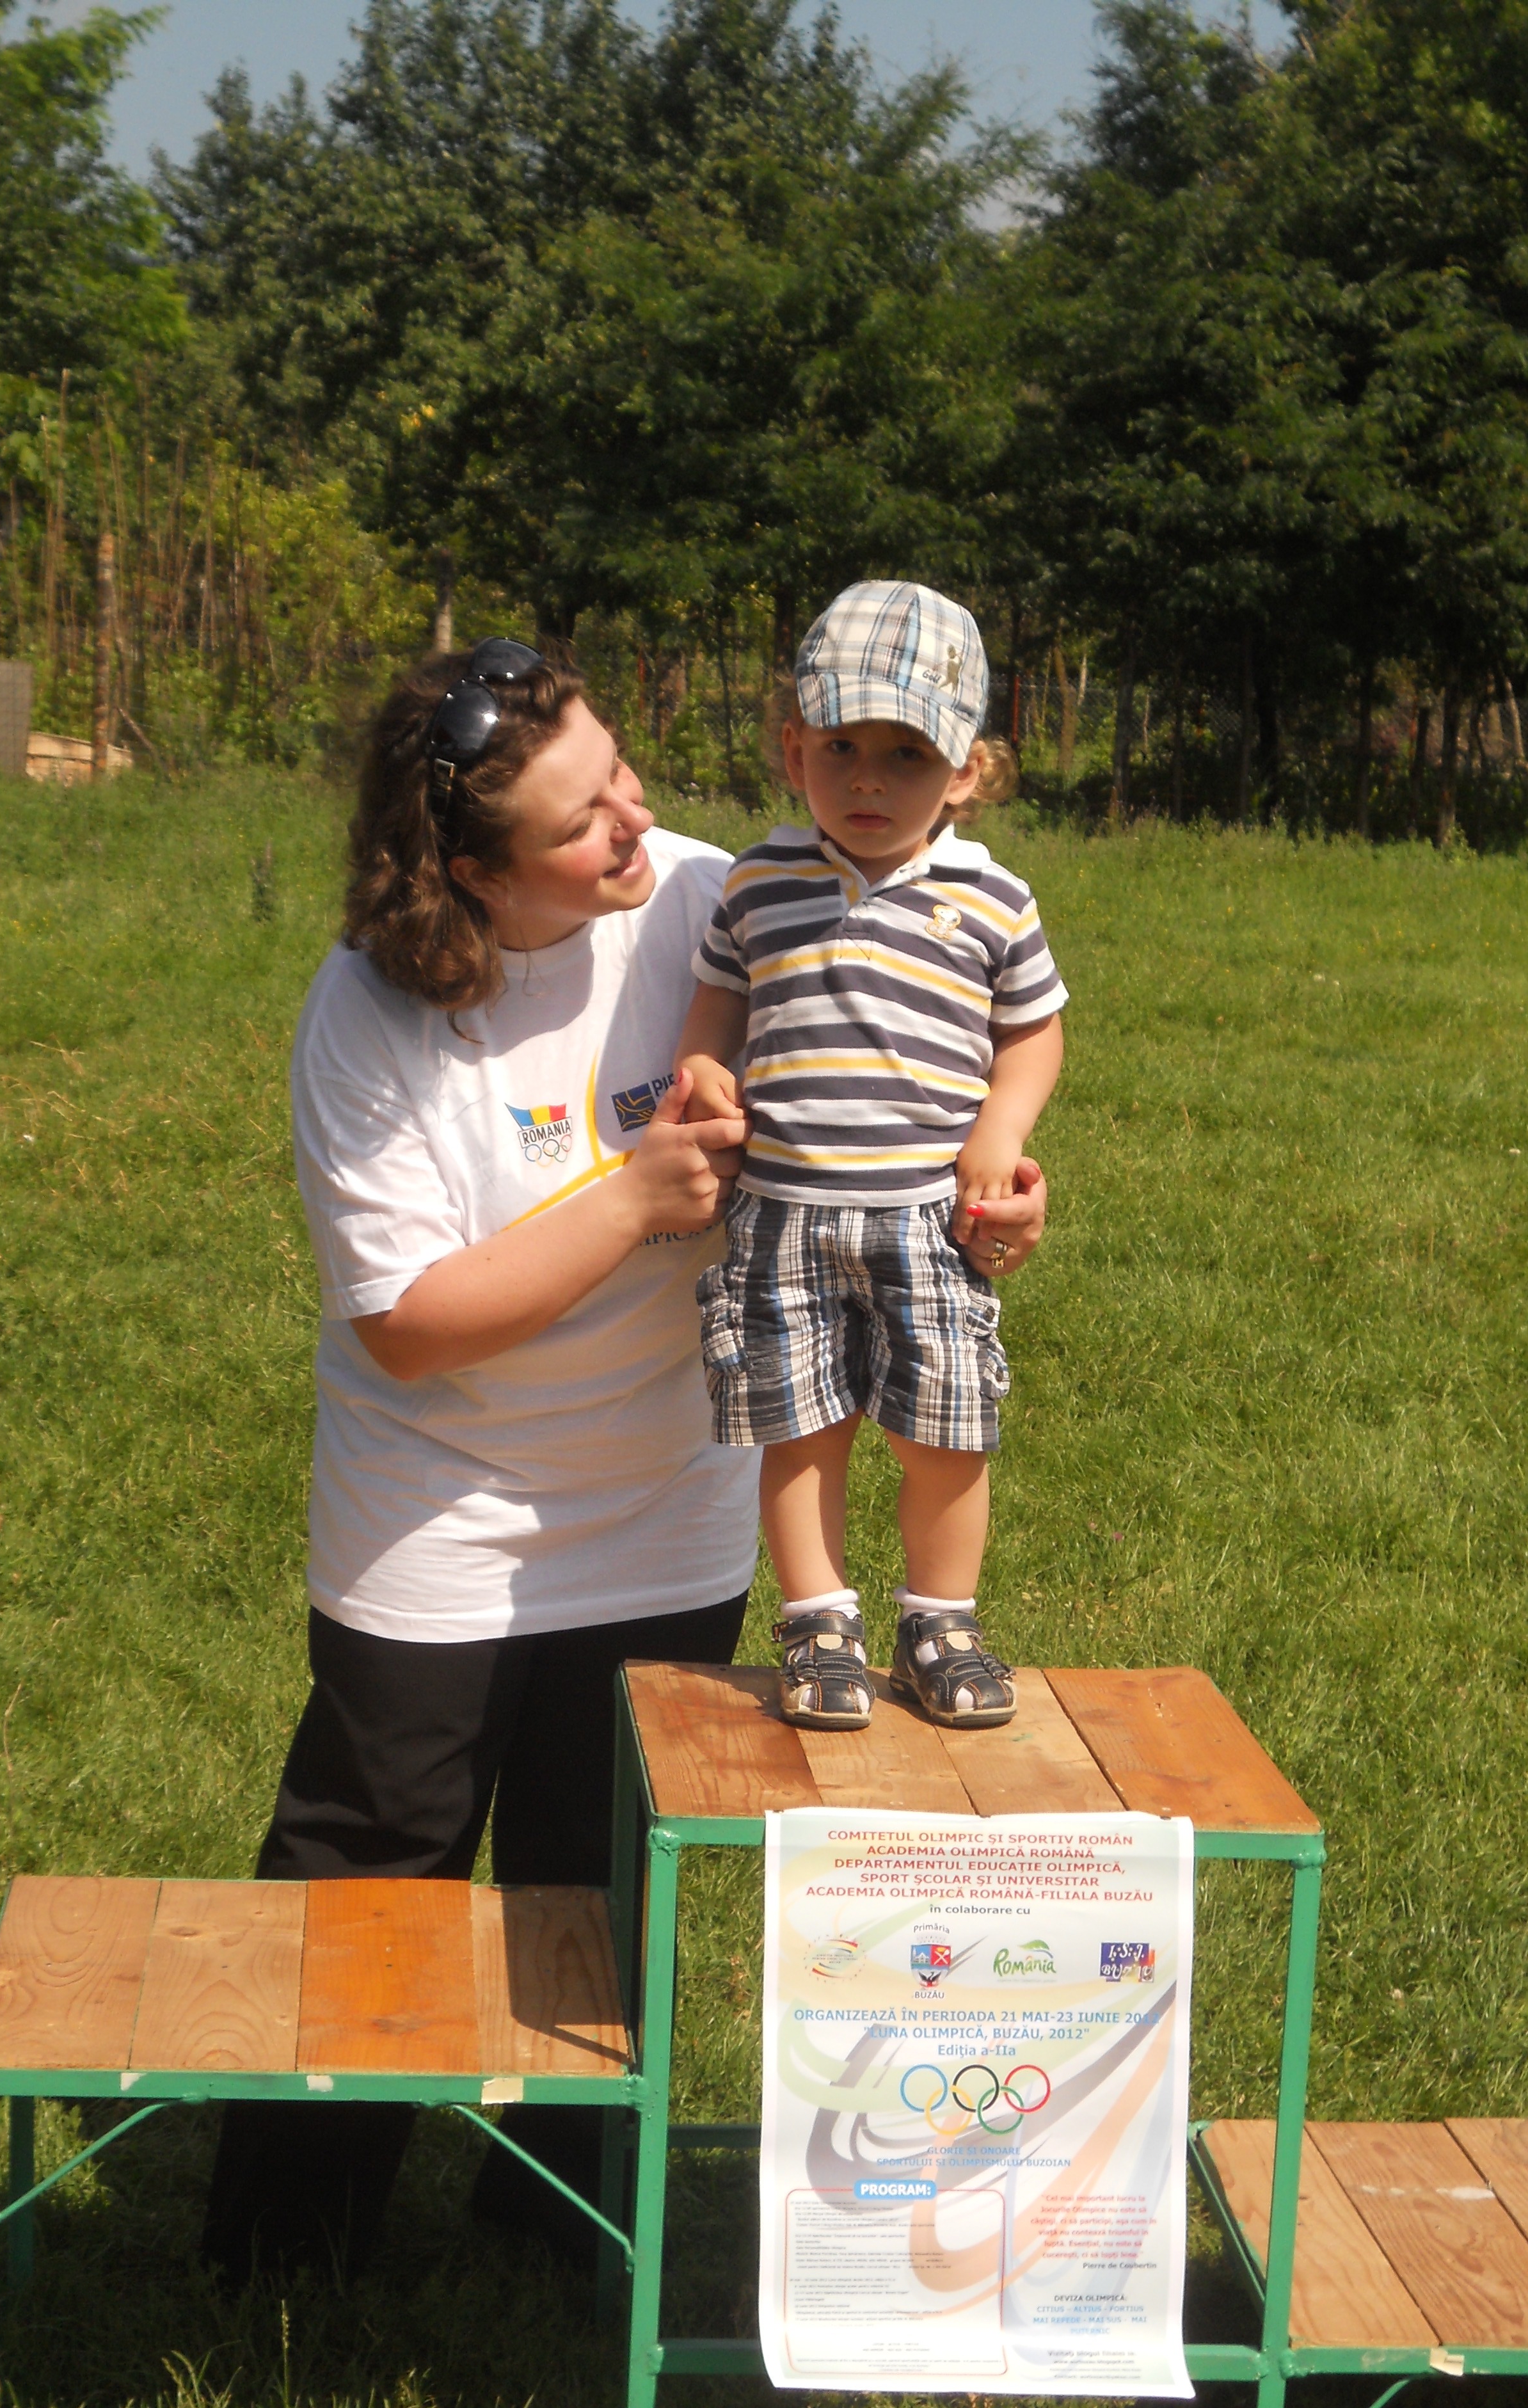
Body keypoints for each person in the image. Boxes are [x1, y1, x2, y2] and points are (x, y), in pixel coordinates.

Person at [203, 634, 1051, 2286]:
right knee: (381, 1868)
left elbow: (914, 1086)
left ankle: (557, 2235)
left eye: (623, 774)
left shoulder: (718, 901)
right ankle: (285, 2256)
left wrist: (995, 1188)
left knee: (595, 1883)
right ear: (472, 873)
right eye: (585, 819)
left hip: (669, 1514)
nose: (636, 822)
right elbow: (410, 1325)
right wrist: (636, 1198)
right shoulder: (369, 1011)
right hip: (437, 1523)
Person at [674, 582, 1066, 1735]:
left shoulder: (992, 898)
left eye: (908, 755)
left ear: (968, 772)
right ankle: (818, 1621)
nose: (868, 781)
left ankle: (941, 1620)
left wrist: (1001, 1130)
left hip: (928, 1216)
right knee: (801, 1427)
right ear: (794, 747)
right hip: (782, 1214)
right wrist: (701, 1067)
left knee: (944, 1427)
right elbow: (719, 1001)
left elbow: (1033, 1031)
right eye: (841, 747)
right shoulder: (759, 882)